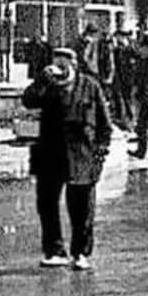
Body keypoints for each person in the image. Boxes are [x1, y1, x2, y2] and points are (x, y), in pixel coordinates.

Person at [22, 45, 112, 270]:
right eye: (57, 63)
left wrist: (100, 152)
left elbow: (104, 123)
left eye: (65, 63)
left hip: (82, 153)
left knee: (82, 208)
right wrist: (41, 80)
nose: (60, 67)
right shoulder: (47, 86)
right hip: (50, 152)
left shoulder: (89, 86)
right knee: (47, 204)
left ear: (74, 64)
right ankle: (54, 251)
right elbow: (29, 100)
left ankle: (80, 253)